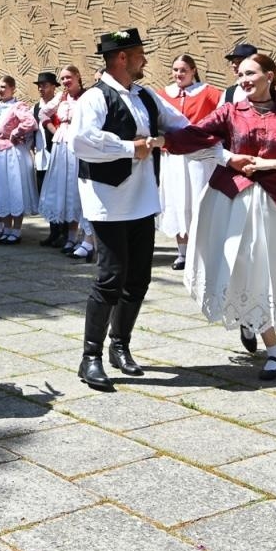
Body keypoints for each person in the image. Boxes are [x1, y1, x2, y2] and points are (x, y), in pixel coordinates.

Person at [164, 53, 276, 380]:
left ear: (270, 76)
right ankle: (269, 343)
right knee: (241, 265)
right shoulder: (229, 111)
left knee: (264, 269)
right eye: (240, 74)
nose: (243, 80)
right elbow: (193, 136)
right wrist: (156, 137)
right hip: (231, 202)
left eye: (251, 73)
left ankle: (263, 336)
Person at [69, 29, 192, 391]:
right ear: (122, 57)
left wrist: (216, 132)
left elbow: (180, 125)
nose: (145, 60)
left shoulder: (146, 96)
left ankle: (119, 347)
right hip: (107, 200)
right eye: (139, 53)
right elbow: (81, 140)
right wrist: (128, 147)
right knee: (110, 277)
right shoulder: (94, 98)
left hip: (142, 199)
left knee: (138, 277)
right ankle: (89, 358)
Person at [158, 55, 224, 271]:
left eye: (183, 70)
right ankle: (182, 253)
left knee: (199, 200)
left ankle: (204, 254)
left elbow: (223, 116)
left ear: (193, 71)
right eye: (175, 70)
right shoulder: (163, 95)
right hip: (173, 157)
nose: (179, 74)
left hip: (199, 157)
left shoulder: (209, 92)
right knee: (177, 201)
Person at [38, 66, 95, 259]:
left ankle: (84, 238)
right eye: (62, 79)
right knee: (66, 190)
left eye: (68, 77)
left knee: (77, 190)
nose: (65, 82)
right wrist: (56, 131)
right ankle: (70, 237)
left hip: (78, 146)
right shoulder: (61, 98)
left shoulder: (87, 96)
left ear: (78, 76)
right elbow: (43, 113)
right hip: (62, 145)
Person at [0, 76, 37, 244]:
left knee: (14, 189)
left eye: (4, 87)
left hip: (12, 153)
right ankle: (6, 228)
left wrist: (15, 133)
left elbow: (30, 122)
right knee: (1, 190)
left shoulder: (18, 105)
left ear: (13, 88)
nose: (1, 90)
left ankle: (16, 231)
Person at [34, 73, 65, 246]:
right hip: (41, 157)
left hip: (57, 154)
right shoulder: (36, 108)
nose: (41, 88)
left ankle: (66, 233)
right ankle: (54, 231)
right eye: (39, 86)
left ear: (54, 87)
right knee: (47, 196)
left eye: (45, 85)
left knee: (61, 193)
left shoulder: (60, 105)